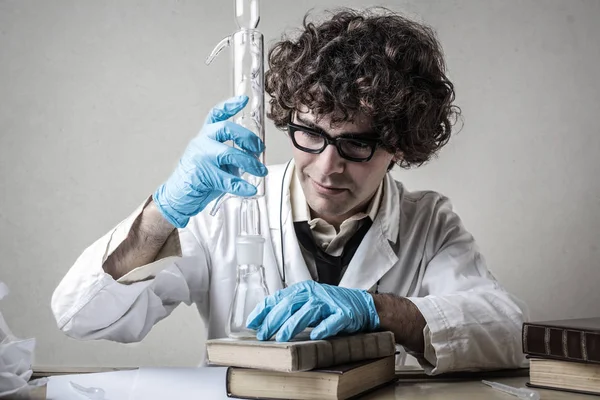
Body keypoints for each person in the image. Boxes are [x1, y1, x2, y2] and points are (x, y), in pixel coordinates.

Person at [51, 8, 527, 374]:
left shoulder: (428, 221)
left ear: (399, 146)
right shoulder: (231, 204)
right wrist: (165, 210)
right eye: (311, 133)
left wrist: (377, 310)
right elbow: (81, 315)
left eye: (356, 143)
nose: (327, 165)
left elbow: (506, 333)